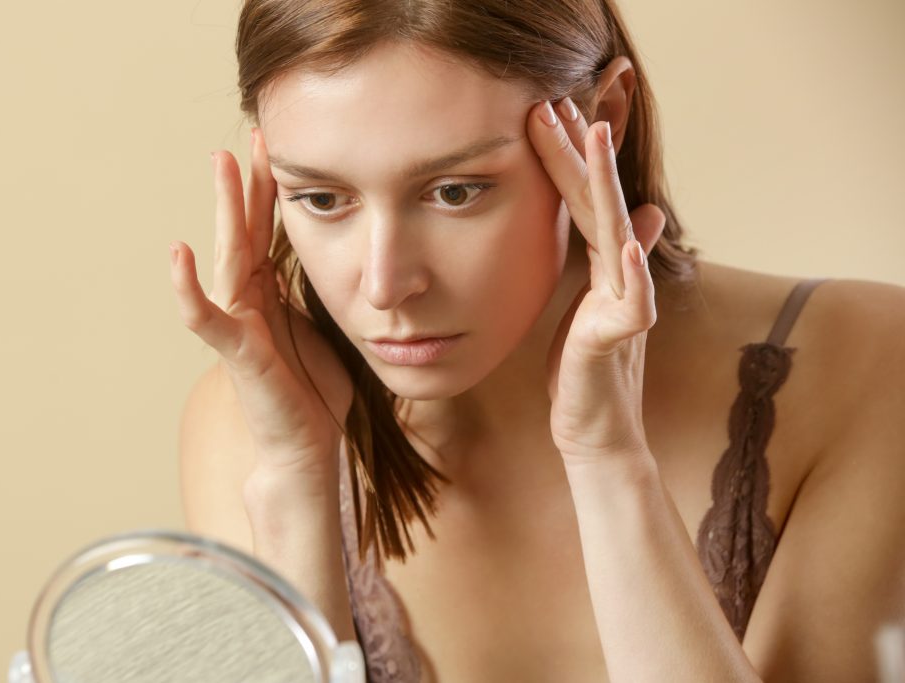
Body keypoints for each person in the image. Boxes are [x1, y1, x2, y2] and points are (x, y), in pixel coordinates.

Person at [168, 1, 905, 680]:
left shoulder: (867, 368)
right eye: (323, 198)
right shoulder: (251, 428)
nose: (385, 284)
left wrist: (610, 461)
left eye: (455, 190)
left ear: (603, 123)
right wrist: (298, 481)